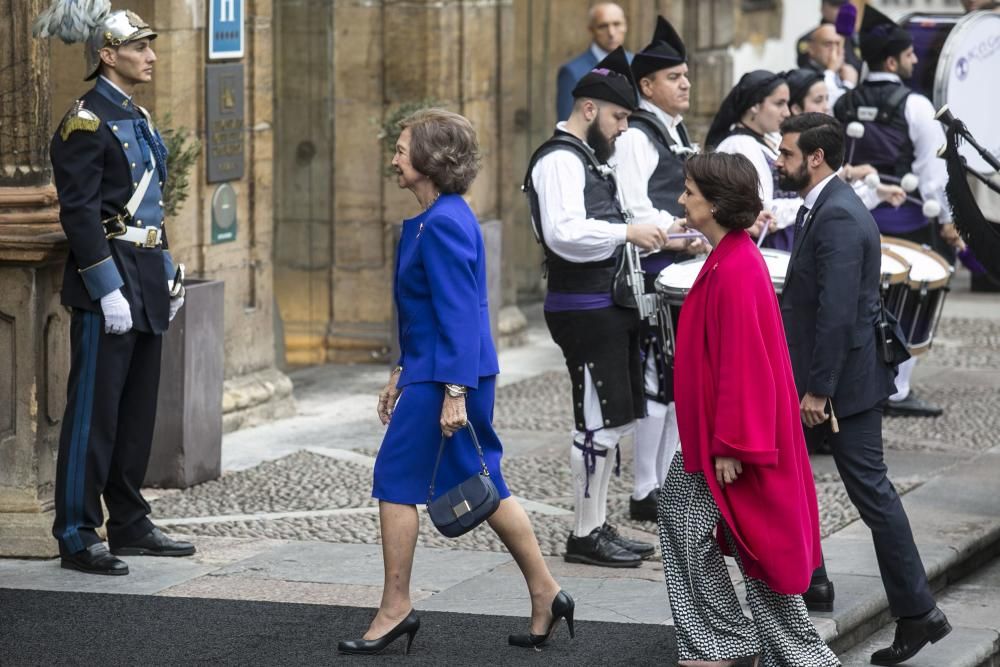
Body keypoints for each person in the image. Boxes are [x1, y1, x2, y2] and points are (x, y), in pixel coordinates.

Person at [339, 109, 572, 655]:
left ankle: (396, 608)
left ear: (429, 161)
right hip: (437, 367)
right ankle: (547, 592)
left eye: (401, 149)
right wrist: (401, 367)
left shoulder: (442, 221)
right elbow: (428, 311)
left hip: (449, 373)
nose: (393, 158)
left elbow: (462, 312)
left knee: (395, 480)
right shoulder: (437, 216)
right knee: (479, 476)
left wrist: (453, 392)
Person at [775, 112, 951, 665]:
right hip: (829, 378)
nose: (780, 162)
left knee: (872, 494)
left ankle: (918, 612)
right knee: (794, 475)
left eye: (786, 154)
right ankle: (812, 579)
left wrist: (819, 391)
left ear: (816, 158)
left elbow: (837, 315)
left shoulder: (840, 218)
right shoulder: (825, 207)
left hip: (844, 384)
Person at [657, 151, 838, 667]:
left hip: (731, 443)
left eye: (689, 191)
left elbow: (745, 363)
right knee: (693, 524)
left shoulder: (736, 265)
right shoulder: (729, 255)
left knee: (759, 551)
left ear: (714, 204)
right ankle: (721, 641)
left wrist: (731, 445)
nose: (682, 198)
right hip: (715, 437)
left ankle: (732, 645)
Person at [33, 3, 194, 575]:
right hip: (111, 282)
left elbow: (150, 205)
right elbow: (79, 214)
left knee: (135, 410)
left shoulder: (136, 115)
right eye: (139, 48)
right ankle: (77, 531)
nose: (151, 56)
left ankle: (128, 520)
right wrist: (106, 288)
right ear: (108, 55)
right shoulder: (84, 120)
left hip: (146, 274)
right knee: (93, 413)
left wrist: (168, 270)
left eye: (149, 47)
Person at [525, 47, 661, 568]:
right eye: (619, 117)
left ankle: (597, 524)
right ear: (589, 109)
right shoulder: (559, 159)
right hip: (582, 307)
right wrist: (626, 231)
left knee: (609, 422)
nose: (624, 128)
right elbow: (563, 235)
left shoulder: (587, 159)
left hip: (605, 304)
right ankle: (585, 534)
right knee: (594, 422)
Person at [834, 5, 961, 418]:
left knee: (859, 305)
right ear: (892, 60)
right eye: (909, 54)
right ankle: (898, 389)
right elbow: (932, 173)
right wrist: (947, 222)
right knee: (912, 302)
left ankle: (861, 384)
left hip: (853, 220)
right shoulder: (916, 106)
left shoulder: (843, 102)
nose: (915, 60)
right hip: (907, 221)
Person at [610, 15, 699, 521]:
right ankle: (646, 488)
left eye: (686, 75)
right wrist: (685, 229)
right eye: (673, 77)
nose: (684, 83)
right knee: (656, 383)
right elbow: (633, 208)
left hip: (678, 265)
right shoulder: (637, 136)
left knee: (677, 382)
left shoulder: (673, 130)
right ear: (646, 85)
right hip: (653, 270)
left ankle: (665, 484)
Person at [706, 70, 797, 251]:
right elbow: (762, 207)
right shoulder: (739, 145)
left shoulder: (769, 138)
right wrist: (810, 202)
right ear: (754, 105)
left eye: (787, 104)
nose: (787, 112)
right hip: (762, 245)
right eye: (779, 104)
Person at [555, 3, 631, 122]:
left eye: (617, 24)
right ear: (591, 30)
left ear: (625, 26)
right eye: (603, 26)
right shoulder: (573, 72)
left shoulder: (636, 64)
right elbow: (567, 124)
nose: (611, 33)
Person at [796, 0, 863, 74]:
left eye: (842, 6)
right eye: (834, 6)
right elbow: (806, 69)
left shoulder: (853, 38)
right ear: (822, 8)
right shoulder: (810, 38)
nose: (839, 10)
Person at [801, 22, 857, 108]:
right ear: (811, 49)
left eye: (838, 44)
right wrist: (848, 84)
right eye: (828, 44)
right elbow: (829, 107)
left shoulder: (846, 72)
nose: (834, 50)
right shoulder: (804, 76)